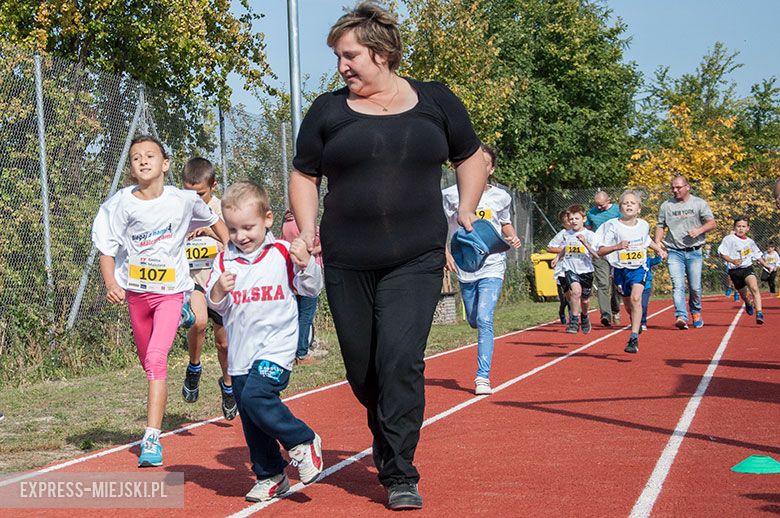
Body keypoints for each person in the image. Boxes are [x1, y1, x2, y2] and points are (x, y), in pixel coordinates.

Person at [288, 2, 486, 510]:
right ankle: (388, 434)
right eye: (337, 57)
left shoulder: (436, 102)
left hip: (415, 257)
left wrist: (465, 209)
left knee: (400, 360)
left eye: (349, 55)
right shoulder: (327, 111)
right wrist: (307, 230)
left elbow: (471, 157)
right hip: (347, 259)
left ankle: (399, 470)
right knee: (364, 369)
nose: (341, 67)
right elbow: (305, 174)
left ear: (380, 53)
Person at [92, 135, 229, 467]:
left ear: (164, 164)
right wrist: (111, 282)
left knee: (156, 359)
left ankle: (151, 439)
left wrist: (233, 256)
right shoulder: (120, 204)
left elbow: (216, 224)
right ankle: (184, 314)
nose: (142, 160)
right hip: (137, 295)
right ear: (131, 167)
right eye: (136, 157)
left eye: (150, 155)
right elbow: (107, 251)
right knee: (147, 363)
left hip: (169, 292)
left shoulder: (183, 200)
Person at [206, 181, 325, 502]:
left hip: (276, 348)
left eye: (248, 227)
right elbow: (215, 304)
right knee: (249, 412)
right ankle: (270, 474)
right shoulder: (224, 262)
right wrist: (218, 290)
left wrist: (306, 264)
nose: (240, 236)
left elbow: (312, 288)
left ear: (268, 220)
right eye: (232, 229)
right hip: (241, 354)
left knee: (258, 398)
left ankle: (303, 440)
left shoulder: (282, 253)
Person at [442, 144, 522, 396]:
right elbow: (440, 226)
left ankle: (482, 377)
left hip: (492, 265)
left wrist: (512, 236)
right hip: (465, 266)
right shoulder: (449, 195)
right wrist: (445, 252)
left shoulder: (501, 197)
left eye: (483, 163)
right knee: (475, 319)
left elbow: (504, 224)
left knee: (486, 318)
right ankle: (475, 319)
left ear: (491, 168)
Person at [180, 157, 236, 421]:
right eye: (189, 192)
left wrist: (210, 233)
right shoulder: (178, 209)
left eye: (200, 194)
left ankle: (227, 385)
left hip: (219, 281)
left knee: (224, 344)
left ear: (213, 186)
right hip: (193, 280)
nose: (194, 199)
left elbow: (236, 240)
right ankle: (194, 367)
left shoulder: (223, 209)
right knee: (199, 322)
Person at [595, 191, 667, 353]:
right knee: (628, 305)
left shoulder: (643, 225)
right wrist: (617, 246)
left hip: (639, 268)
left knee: (636, 298)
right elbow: (601, 251)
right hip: (620, 270)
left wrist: (658, 250)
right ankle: (635, 320)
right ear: (620, 208)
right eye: (625, 203)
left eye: (632, 203)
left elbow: (646, 240)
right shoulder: (613, 226)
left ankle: (633, 337)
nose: (629, 205)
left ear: (639, 208)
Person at [654, 175, 716, 330]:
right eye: (672, 187)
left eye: (678, 187)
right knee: (677, 285)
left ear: (687, 187)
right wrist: (657, 243)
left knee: (695, 287)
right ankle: (681, 315)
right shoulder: (666, 205)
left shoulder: (699, 203)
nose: (675, 190)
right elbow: (660, 225)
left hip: (694, 251)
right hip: (674, 251)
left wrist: (699, 230)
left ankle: (696, 312)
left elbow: (712, 223)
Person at [280, 209, 327, 365]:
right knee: (306, 315)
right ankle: (302, 353)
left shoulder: (285, 223)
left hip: (292, 275)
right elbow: (312, 247)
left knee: (297, 315)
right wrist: (321, 248)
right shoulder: (304, 223)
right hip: (308, 271)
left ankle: (293, 352)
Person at [550, 205, 599, 335]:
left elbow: (596, 254)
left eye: (576, 218)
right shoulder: (567, 234)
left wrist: (585, 244)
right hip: (570, 268)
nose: (573, 221)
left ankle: (584, 315)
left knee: (585, 300)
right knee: (575, 292)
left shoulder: (590, 235)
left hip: (586, 270)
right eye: (571, 219)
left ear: (584, 219)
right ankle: (574, 320)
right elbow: (566, 248)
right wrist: (558, 257)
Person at [717, 217, 771, 324]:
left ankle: (759, 313)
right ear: (734, 227)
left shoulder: (750, 242)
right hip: (734, 271)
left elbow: (757, 254)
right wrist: (732, 260)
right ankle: (747, 302)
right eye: (738, 226)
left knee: (754, 287)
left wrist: (766, 265)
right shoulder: (729, 239)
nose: (741, 229)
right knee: (743, 294)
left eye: (743, 226)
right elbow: (721, 253)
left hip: (747, 268)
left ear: (747, 228)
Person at [586, 191, 622, 327]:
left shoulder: (618, 210)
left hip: (616, 251)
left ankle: (616, 309)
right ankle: (605, 314)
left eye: (601, 205)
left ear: (609, 200)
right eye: (597, 205)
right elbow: (588, 231)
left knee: (616, 284)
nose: (599, 208)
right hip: (599, 252)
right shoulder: (591, 213)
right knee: (603, 283)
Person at [547, 210, 572, 325]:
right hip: (562, 268)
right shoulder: (562, 234)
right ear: (563, 224)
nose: (571, 223)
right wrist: (564, 250)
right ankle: (562, 311)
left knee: (574, 295)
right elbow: (550, 248)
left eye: (572, 220)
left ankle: (573, 318)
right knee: (564, 298)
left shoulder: (579, 233)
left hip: (574, 267)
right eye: (568, 222)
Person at [640, 249, 663, 331]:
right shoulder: (632, 260)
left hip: (646, 286)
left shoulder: (648, 260)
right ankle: (635, 321)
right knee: (634, 304)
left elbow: (657, 261)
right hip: (634, 285)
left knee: (644, 305)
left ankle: (643, 322)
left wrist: (658, 253)